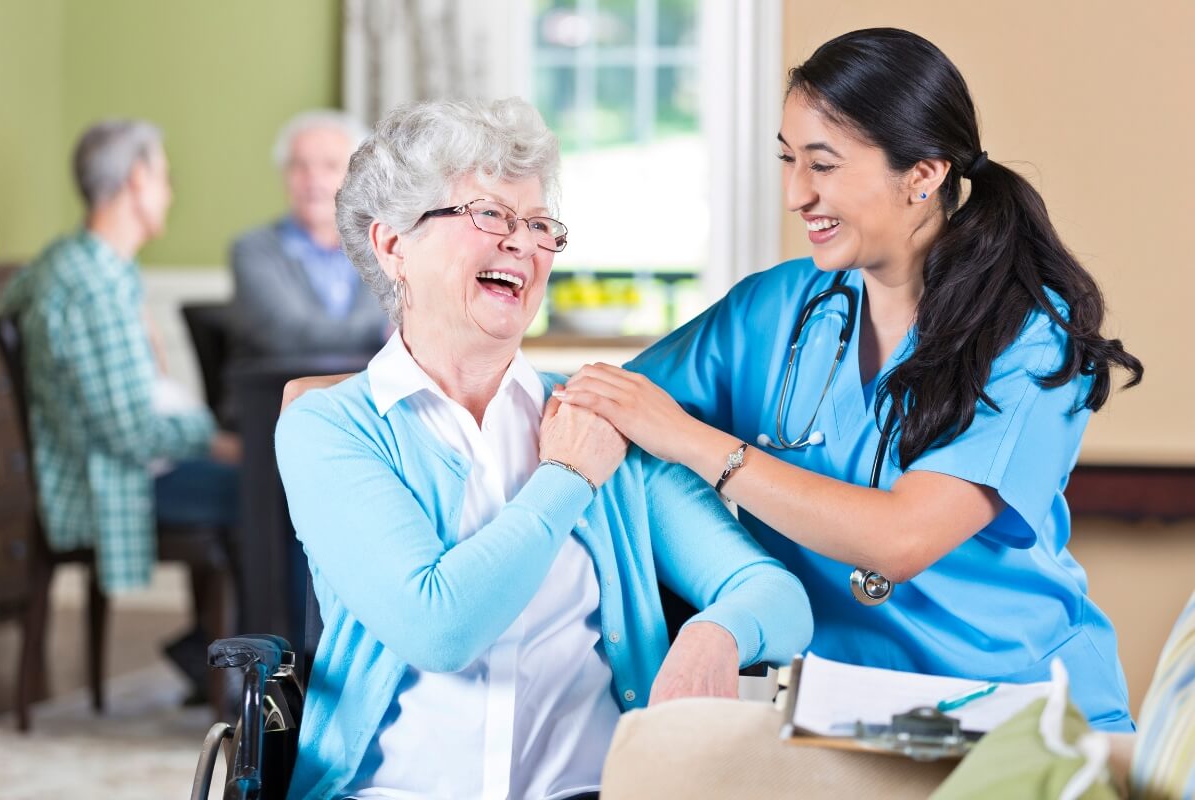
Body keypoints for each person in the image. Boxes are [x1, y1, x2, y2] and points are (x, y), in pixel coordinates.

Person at [556, 28, 1143, 733]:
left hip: (1014, 717)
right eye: (788, 160)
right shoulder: (771, 312)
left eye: (824, 165)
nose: (796, 194)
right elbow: (606, 415)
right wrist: (726, 601)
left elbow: (901, 540)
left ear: (923, 175)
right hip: (833, 719)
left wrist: (695, 443)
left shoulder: (1028, 339)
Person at [274, 97, 811, 800]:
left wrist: (719, 633)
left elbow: (778, 598)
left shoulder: (604, 415)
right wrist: (566, 476)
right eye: (490, 216)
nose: (523, 244)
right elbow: (437, 628)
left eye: (537, 224)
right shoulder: (332, 427)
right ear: (392, 244)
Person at [0, 119, 240, 694]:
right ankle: (251, 662)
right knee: (266, 487)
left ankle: (213, 651)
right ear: (137, 179)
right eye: (165, 177)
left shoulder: (84, 265)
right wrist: (214, 439)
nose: (170, 192)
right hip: (108, 481)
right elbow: (130, 431)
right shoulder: (92, 283)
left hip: (121, 463)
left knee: (258, 477)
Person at [230, 110, 389, 358]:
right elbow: (288, 332)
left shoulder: (384, 246)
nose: (313, 179)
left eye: (330, 166)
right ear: (285, 176)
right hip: (282, 391)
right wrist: (383, 331)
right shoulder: (254, 249)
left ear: (358, 177)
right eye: (299, 166)